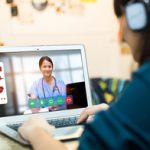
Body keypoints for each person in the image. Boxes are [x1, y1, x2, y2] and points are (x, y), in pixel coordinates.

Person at [19, 0, 150, 149]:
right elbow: (33, 106)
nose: (122, 35)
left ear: (137, 15)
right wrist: (116, 116)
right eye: (44, 67)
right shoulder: (35, 85)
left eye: (121, 16)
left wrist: (36, 131)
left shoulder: (61, 83)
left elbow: (65, 102)